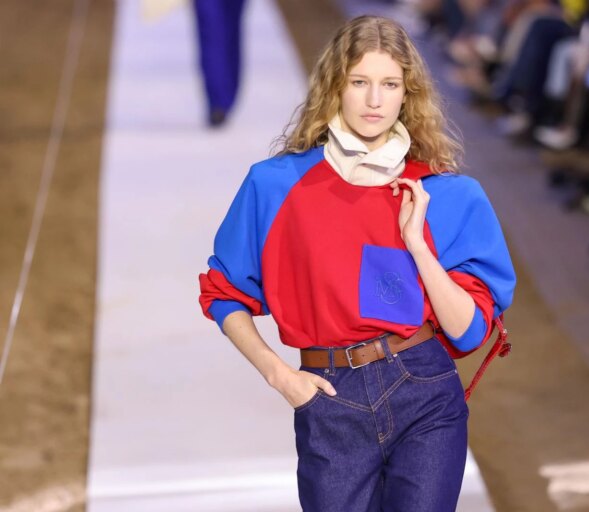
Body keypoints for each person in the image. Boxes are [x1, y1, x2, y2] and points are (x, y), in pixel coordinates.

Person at [198, 15, 516, 511]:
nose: (374, 101)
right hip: (329, 398)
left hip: (423, 391)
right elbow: (223, 292)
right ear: (334, 87)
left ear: (408, 94)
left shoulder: (447, 194)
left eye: (389, 84)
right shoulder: (277, 186)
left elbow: (470, 332)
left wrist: (418, 246)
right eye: (359, 82)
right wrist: (280, 376)